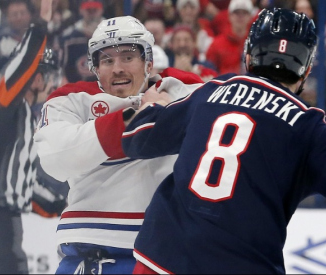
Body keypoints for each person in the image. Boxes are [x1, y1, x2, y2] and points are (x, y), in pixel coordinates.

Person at [121, 8, 326, 274]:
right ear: (306, 69)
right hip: (243, 264)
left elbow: (135, 139)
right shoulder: (311, 127)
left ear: (249, 55)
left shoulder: (212, 92)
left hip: (164, 257)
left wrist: (153, 105)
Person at [33, 15, 203, 274]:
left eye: (127, 57)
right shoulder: (71, 99)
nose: (117, 68)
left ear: (148, 62)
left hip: (163, 256)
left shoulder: (183, 90)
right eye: (107, 60)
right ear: (96, 68)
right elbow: (55, 158)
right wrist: (136, 118)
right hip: (89, 257)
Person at [0, 0, 64, 273]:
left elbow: (26, 187)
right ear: (38, 79)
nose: (54, 84)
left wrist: (68, 205)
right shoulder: (3, 103)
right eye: (50, 77)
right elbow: (25, 63)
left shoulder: (25, 119)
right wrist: (40, 26)